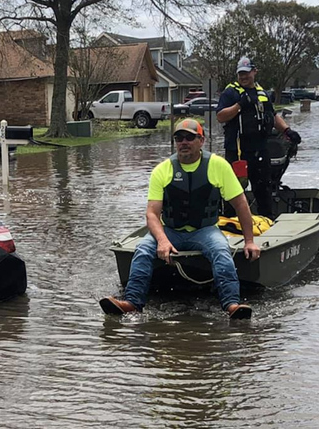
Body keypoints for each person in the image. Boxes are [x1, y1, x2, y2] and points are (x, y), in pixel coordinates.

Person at [100, 119, 261, 320]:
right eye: (179, 138)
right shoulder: (162, 170)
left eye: (189, 137)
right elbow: (152, 214)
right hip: (171, 230)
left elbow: (241, 204)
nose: (183, 142)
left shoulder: (218, 165)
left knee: (221, 251)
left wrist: (249, 241)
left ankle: (231, 305)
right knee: (143, 250)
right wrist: (162, 240)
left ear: (201, 140)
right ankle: (132, 303)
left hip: (205, 230)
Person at [216, 57, 301, 219]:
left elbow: (273, 116)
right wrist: (240, 105)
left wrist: (287, 131)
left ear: (254, 72)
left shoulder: (262, 93)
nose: (243, 77)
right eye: (240, 74)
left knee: (263, 189)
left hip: (260, 150)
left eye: (246, 73)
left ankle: (267, 221)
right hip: (238, 152)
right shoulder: (230, 92)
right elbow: (220, 116)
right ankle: (231, 223)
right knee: (234, 190)